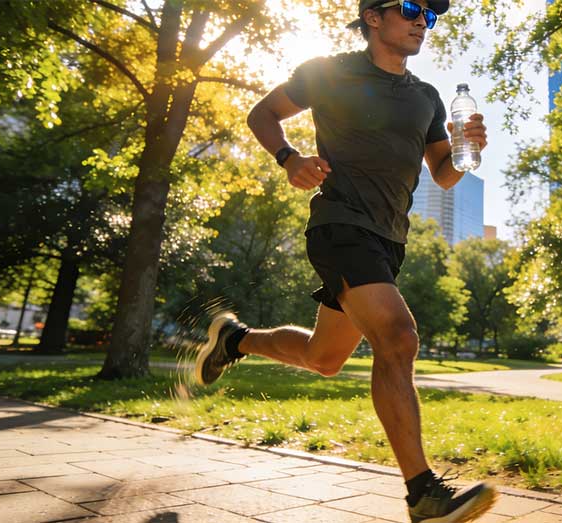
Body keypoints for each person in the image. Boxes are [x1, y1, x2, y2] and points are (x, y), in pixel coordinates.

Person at [193, 1, 496, 521]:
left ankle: (234, 338)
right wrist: (290, 158)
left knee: (324, 358)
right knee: (398, 338)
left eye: (430, 13)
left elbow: (443, 174)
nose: (423, 19)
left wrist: (469, 152)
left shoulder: (426, 96)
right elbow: (262, 113)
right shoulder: (328, 72)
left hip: (389, 240)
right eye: (410, 7)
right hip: (340, 224)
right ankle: (423, 494)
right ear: (373, 17)